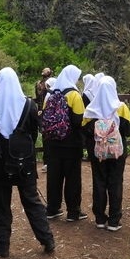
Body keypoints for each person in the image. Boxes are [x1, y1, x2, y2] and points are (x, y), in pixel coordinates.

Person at [0, 67, 56, 257]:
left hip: (1, 162)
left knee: (1, 204)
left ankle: (2, 247)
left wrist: (1, 147)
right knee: (32, 201)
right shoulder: (29, 105)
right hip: (25, 160)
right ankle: (47, 240)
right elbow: (34, 133)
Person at [83, 76, 130, 231]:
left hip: (97, 152)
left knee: (99, 181)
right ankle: (113, 220)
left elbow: (85, 130)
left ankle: (99, 218)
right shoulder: (121, 107)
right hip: (117, 152)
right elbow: (129, 131)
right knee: (116, 182)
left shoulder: (91, 109)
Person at [44, 64, 87, 221]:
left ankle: (52, 209)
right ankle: (73, 211)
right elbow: (78, 120)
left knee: (54, 177)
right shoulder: (74, 95)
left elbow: (45, 118)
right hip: (71, 144)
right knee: (72, 178)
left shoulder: (50, 94)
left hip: (53, 144)